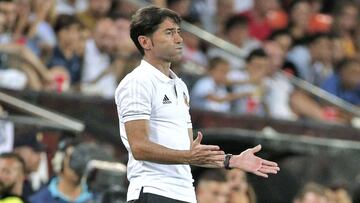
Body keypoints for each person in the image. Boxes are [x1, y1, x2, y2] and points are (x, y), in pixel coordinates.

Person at [115, 6, 280, 203]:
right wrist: (188, 156)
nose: (179, 39)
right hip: (152, 191)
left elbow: (190, 152)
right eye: (169, 32)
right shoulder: (137, 82)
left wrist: (231, 160)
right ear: (145, 41)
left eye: (178, 32)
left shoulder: (180, 86)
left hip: (184, 194)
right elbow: (139, 147)